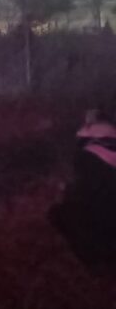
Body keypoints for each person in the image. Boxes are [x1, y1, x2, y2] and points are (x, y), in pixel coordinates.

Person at [50, 106, 116, 268]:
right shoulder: (96, 153)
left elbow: (89, 193)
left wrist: (66, 191)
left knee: (59, 214)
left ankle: (97, 259)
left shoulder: (86, 157)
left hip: (103, 233)